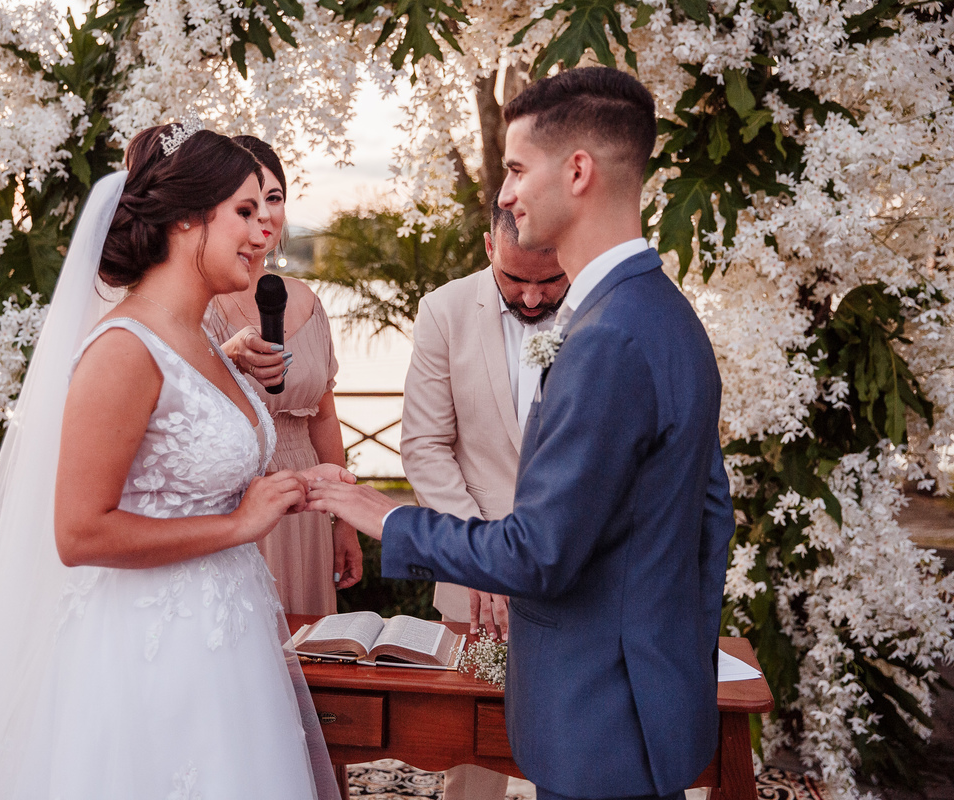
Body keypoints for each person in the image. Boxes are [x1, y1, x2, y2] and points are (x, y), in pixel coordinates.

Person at [306, 66, 734, 800]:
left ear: (577, 172)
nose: (505, 194)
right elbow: (711, 516)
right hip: (640, 698)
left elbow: (539, 555)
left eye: (514, 169)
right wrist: (675, 659)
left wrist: (385, 516)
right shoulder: (661, 312)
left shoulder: (607, 339)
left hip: (599, 716)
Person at [0, 123, 344, 800]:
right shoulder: (125, 348)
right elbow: (79, 533)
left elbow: (196, 484)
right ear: (187, 218)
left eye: (265, 211)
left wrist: (294, 488)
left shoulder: (204, 343)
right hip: (145, 654)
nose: (264, 230)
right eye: (245, 212)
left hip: (228, 641)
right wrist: (239, 526)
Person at [401, 195, 566, 800]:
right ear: (490, 247)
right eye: (515, 279)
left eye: (550, 280)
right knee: (472, 753)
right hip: (475, 584)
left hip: (578, 569)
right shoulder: (443, 310)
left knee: (583, 745)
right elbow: (424, 446)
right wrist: (481, 557)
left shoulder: (604, 311)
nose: (533, 299)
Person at [203, 135, 362, 615]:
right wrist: (228, 355)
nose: (264, 216)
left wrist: (344, 518)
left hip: (306, 502)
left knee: (312, 644)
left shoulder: (309, 302)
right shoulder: (200, 304)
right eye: (247, 206)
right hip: (237, 499)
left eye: (274, 199)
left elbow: (324, 418)